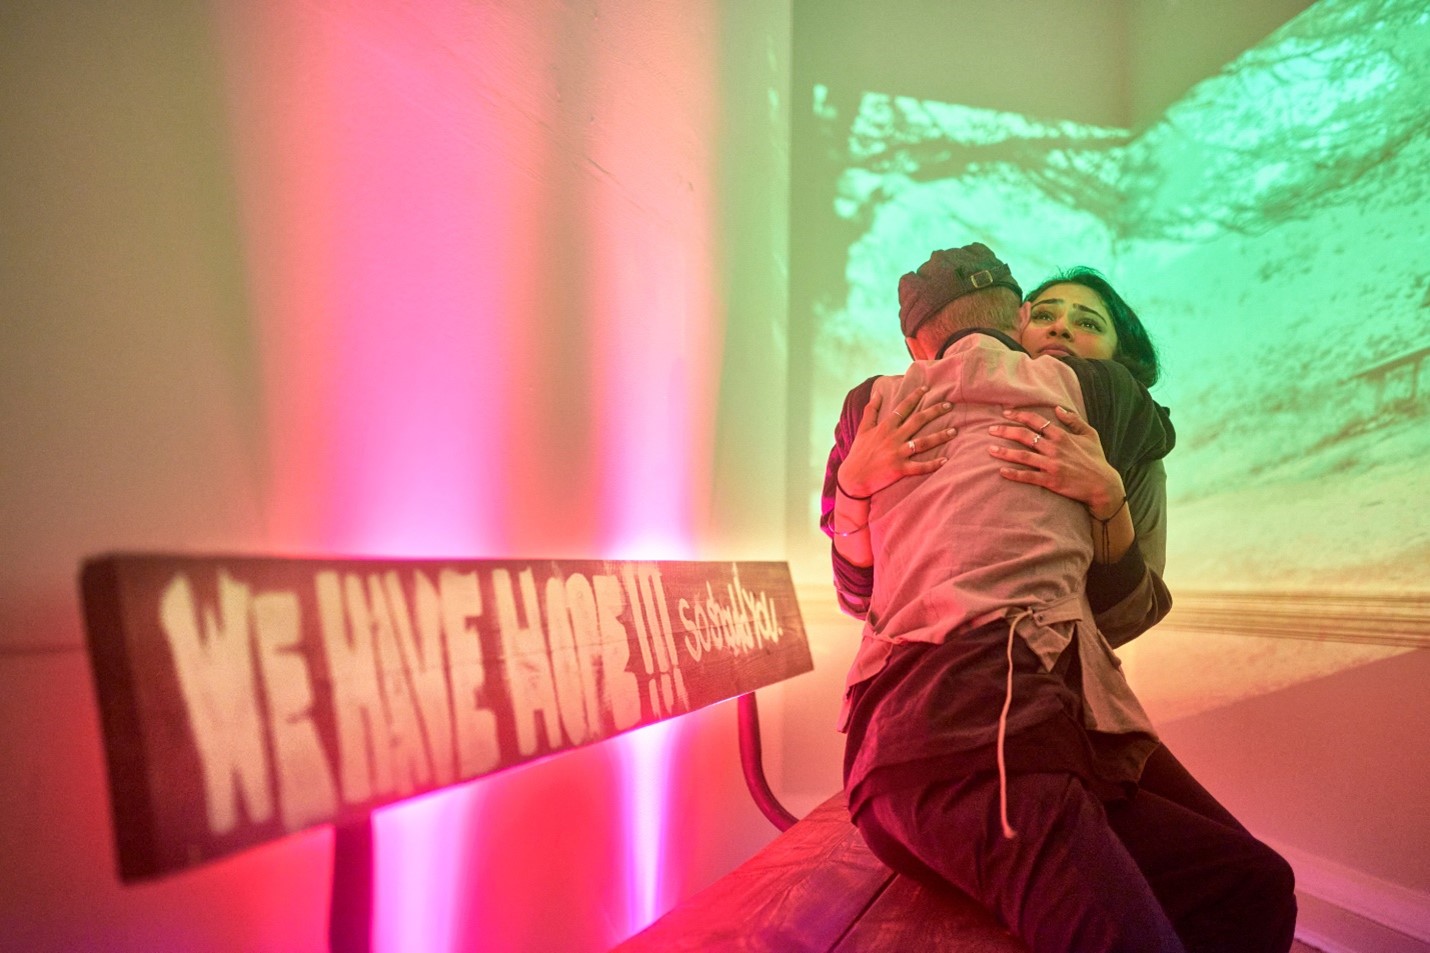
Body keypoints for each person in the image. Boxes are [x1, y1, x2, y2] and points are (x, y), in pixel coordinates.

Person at [819, 244, 1296, 952]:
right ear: (1016, 320)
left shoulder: (874, 401)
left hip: (1047, 709)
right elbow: (861, 593)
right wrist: (857, 482)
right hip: (981, 732)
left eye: (1087, 322)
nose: (1062, 330)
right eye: (1046, 314)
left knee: (1254, 882)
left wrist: (1107, 492)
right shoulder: (1087, 395)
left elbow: (1129, 612)